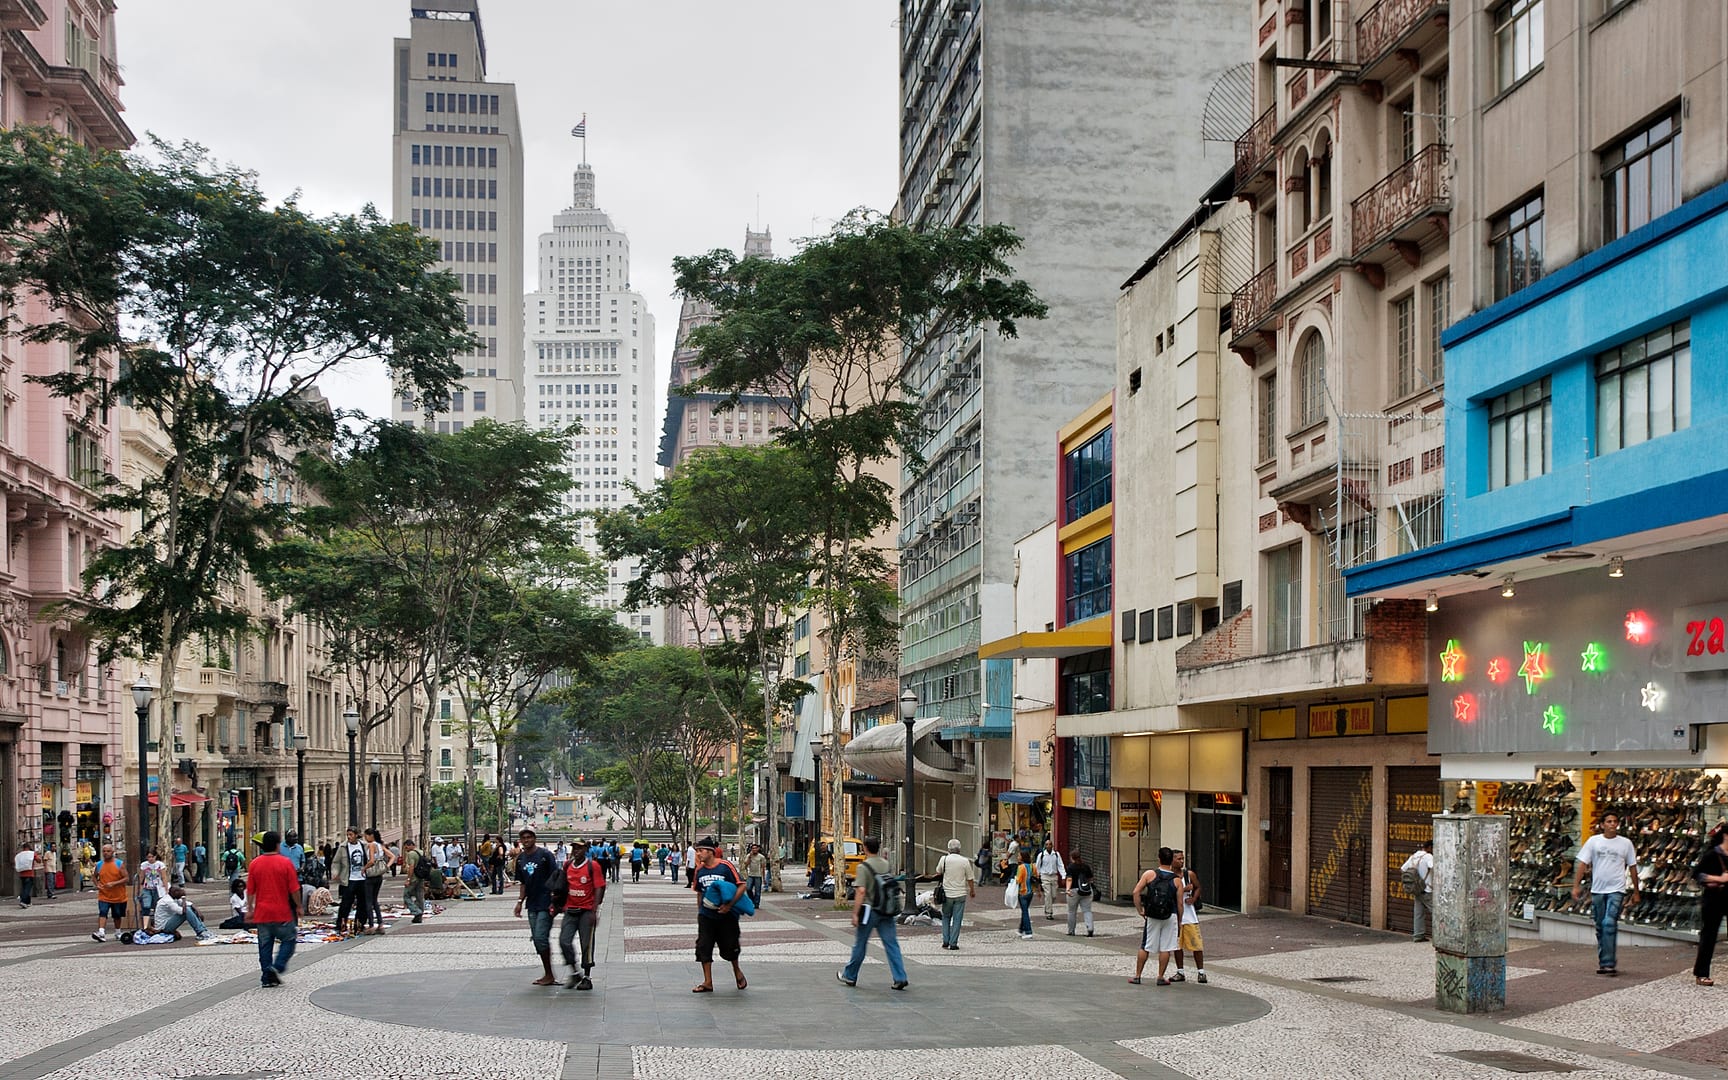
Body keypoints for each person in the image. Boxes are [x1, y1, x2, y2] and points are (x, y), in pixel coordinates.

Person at [837, 837, 909, 990]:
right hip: (886, 908)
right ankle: (900, 977)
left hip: (870, 910)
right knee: (891, 944)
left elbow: (861, 891)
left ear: (865, 848)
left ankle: (850, 975)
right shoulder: (885, 864)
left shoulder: (864, 867)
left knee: (860, 944)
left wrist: (855, 914)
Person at [1573, 814, 1640, 975]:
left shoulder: (1625, 843)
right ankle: (1604, 961)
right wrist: (1576, 885)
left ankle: (1609, 963)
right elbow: (1583, 863)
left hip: (1617, 889)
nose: (1612, 824)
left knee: (1609, 923)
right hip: (1598, 890)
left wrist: (1636, 891)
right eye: (1609, 821)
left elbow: (1632, 867)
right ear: (1602, 824)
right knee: (1600, 926)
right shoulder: (1593, 841)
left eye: (1615, 821)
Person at [245, 830, 301, 987]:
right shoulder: (285, 863)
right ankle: (277, 967)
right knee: (289, 940)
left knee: (264, 945)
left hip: (262, 913)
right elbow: (294, 889)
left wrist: (250, 909)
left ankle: (266, 976)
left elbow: (250, 890)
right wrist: (298, 906)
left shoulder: (255, 864)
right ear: (278, 845)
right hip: (281, 912)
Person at [691, 836, 746, 993]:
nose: (698, 854)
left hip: (726, 916)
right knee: (703, 946)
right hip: (706, 916)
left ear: (710, 852)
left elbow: (742, 886)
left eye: (700, 851)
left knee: (730, 946)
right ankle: (708, 982)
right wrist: (700, 912)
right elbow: (699, 892)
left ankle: (737, 971)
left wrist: (729, 905)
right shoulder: (699, 871)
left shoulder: (725, 866)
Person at [1130, 847, 1185, 987]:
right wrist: (1179, 920)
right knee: (1166, 948)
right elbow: (1180, 903)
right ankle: (1160, 977)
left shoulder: (1150, 874)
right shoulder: (1177, 880)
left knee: (1145, 946)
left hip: (1152, 914)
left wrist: (1140, 910)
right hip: (1170, 914)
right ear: (1171, 860)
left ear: (1159, 859)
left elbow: (1136, 892)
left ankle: (1137, 975)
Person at [512, 828, 560, 987]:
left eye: (529, 837)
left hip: (546, 902)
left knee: (540, 937)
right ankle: (548, 973)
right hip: (531, 903)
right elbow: (523, 883)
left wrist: (555, 899)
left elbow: (556, 877)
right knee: (538, 940)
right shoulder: (520, 859)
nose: (526, 840)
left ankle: (549, 974)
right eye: (523, 838)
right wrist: (520, 901)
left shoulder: (545, 855)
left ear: (534, 838)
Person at [559, 838, 605, 990]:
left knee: (586, 944)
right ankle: (574, 972)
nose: (576, 851)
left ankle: (587, 976)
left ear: (586, 849)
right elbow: (562, 885)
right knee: (564, 941)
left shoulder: (593, 866)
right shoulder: (567, 866)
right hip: (570, 909)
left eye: (579, 848)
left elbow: (599, 887)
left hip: (586, 910)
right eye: (574, 848)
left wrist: (594, 909)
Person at [1692, 821, 1727, 986]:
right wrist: (1718, 878)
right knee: (1709, 936)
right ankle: (1702, 973)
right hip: (1714, 899)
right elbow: (1697, 874)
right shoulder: (1713, 854)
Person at [931, 838, 977, 950]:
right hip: (960, 893)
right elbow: (970, 878)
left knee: (946, 917)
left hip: (947, 893)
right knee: (957, 919)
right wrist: (972, 890)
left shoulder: (944, 859)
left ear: (949, 849)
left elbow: (938, 871)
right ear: (959, 849)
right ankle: (953, 943)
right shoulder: (965, 861)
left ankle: (945, 940)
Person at [1171, 850, 1207, 983]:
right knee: (1177, 946)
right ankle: (1180, 971)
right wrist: (1184, 889)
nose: (1181, 861)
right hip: (1175, 915)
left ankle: (1201, 972)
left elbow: (1198, 887)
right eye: (1179, 859)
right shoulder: (1169, 876)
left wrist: (1194, 898)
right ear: (1172, 860)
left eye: (1182, 859)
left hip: (1189, 915)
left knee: (1196, 944)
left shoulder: (1189, 874)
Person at [334, 827, 372, 936]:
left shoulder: (363, 845)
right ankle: (341, 924)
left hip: (362, 878)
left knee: (362, 903)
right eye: (348, 835)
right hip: (349, 879)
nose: (349, 837)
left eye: (351, 834)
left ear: (356, 835)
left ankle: (359, 924)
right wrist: (335, 872)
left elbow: (369, 859)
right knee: (346, 903)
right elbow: (336, 862)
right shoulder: (343, 847)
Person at [1400, 839, 1435, 943]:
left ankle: (1418, 935)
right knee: (1437, 913)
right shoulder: (1428, 856)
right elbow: (1434, 867)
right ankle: (1441, 936)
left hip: (1416, 890)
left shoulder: (1414, 856)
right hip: (1427, 889)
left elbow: (1403, 869)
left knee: (1418, 913)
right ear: (1429, 847)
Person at [91, 845, 128, 941]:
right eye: (104, 851)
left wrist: (114, 883)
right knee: (103, 912)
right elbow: (94, 876)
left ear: (112, 852)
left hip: (118, 895)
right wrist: (97, 884)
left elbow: (126, 878)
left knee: (117, 915)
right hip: (104, 895)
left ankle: (118, 932)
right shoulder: (99, 865)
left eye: (108, 851)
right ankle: (101, 932)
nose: (105, 853)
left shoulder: (119, 864)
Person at [1065, 849, 1096, 937]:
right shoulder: (1086, 866)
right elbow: (1090, 879)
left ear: (1072, 858)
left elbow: (1069, 879)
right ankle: (1090, 928)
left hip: (1074, 891)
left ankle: (1071, 930)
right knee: (1087, 910)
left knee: (1072, 911)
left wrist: (1067, 889)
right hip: (1086, 891)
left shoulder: (1071, 867)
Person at [363, 828, 389, 931]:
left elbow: (372, 861)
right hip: (379, 875)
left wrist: (364, 868)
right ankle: (380, 923)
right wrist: (387, 867)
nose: (365, 838)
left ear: (371, 836)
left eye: (366, 836)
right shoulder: (380, 845)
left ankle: (371, 925)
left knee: (368, 901)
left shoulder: (372, 845)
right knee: (375, 900)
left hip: (370, 875)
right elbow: (391, 856)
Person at [1036, 840, 1066, 921]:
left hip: (1053, 876)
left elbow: (1060, 865)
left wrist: (1063, 876)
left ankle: (1047, 907)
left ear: (1052, 845)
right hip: (1045, 876)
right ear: (1045, 846)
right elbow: (1037, 866)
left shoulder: (1056, 854)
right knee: (1048, 894)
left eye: (1050, 844)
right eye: (1047, 844)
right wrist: (1037, 876)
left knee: (1053, 895)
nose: (1048, 846)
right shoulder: (1041, 855)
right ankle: (1049, 912)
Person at [136, 847, 169, 921]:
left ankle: (156, 922)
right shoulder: (144, 865)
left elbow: (164, 877)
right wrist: (139, 889)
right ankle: (145, 924)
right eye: (148, 857)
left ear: (155, 856)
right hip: (147, 887)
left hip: (157, 888)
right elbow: (141, 877)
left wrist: (166, 889)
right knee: (146, 905)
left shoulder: (160, 865)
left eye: (152, 857)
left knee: (157, 906)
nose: (150, 859)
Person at [400, 839, 427, 923]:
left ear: (411, 845)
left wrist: (408, 879)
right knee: (420, 896)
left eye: (406, 847)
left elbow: (411, 867)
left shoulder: (411, 854)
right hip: (421, 877)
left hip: (414, 878)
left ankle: (416, 911)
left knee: (406, 895)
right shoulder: (421, 852)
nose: (406, 849)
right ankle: (420, 915)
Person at [1011, 849, 1036, 939]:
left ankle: (1028, 931)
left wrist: (1014, 879)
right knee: (1024, 910)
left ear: (1022, 857)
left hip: (1022, 892)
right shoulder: (1033, 866)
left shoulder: (1021, 867)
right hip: (1031, 892)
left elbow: (1018, 880)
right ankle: (1021, 930)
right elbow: (1036, 878)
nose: (1018, 857)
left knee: (1025, 912)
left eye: (1019, 856)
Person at [13, 841, 35, 907]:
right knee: (27, 888)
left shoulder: (20, 854)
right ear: (29, 847)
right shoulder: (32, 853)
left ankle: (28, 902)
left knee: (24, 888)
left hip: (22, 874)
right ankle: (23, 901)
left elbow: (16, 861)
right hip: (30, 873)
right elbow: (39, 860)